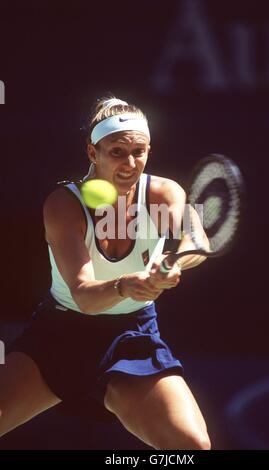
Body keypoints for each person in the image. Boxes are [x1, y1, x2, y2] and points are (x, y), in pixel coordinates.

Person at [0, 96, 211, 450]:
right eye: (116, 152)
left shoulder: (163, 193)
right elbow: (84, 294)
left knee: (192, 447)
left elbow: (196, 242)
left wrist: (171, 264)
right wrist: (129, 283)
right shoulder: (64, 204)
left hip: (132, 338)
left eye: (139, 151)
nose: (130, 163)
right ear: (92, 152)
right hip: (56, 338)